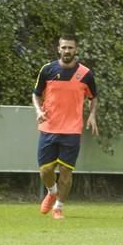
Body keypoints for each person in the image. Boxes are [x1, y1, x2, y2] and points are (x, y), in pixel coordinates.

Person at [32, 34, 98, 219]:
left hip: (72, 130)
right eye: (64, 47)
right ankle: (52, 192)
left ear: (76, 50)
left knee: (66, 172)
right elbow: (36, 94)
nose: (67, 51)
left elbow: (94, 97)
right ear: (58, 49)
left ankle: (58, 207)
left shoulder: (85, 74)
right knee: (45, 170)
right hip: (48, 127)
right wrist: (38, 111)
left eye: (70, 48)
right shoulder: (47, 70)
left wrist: (92, 115)